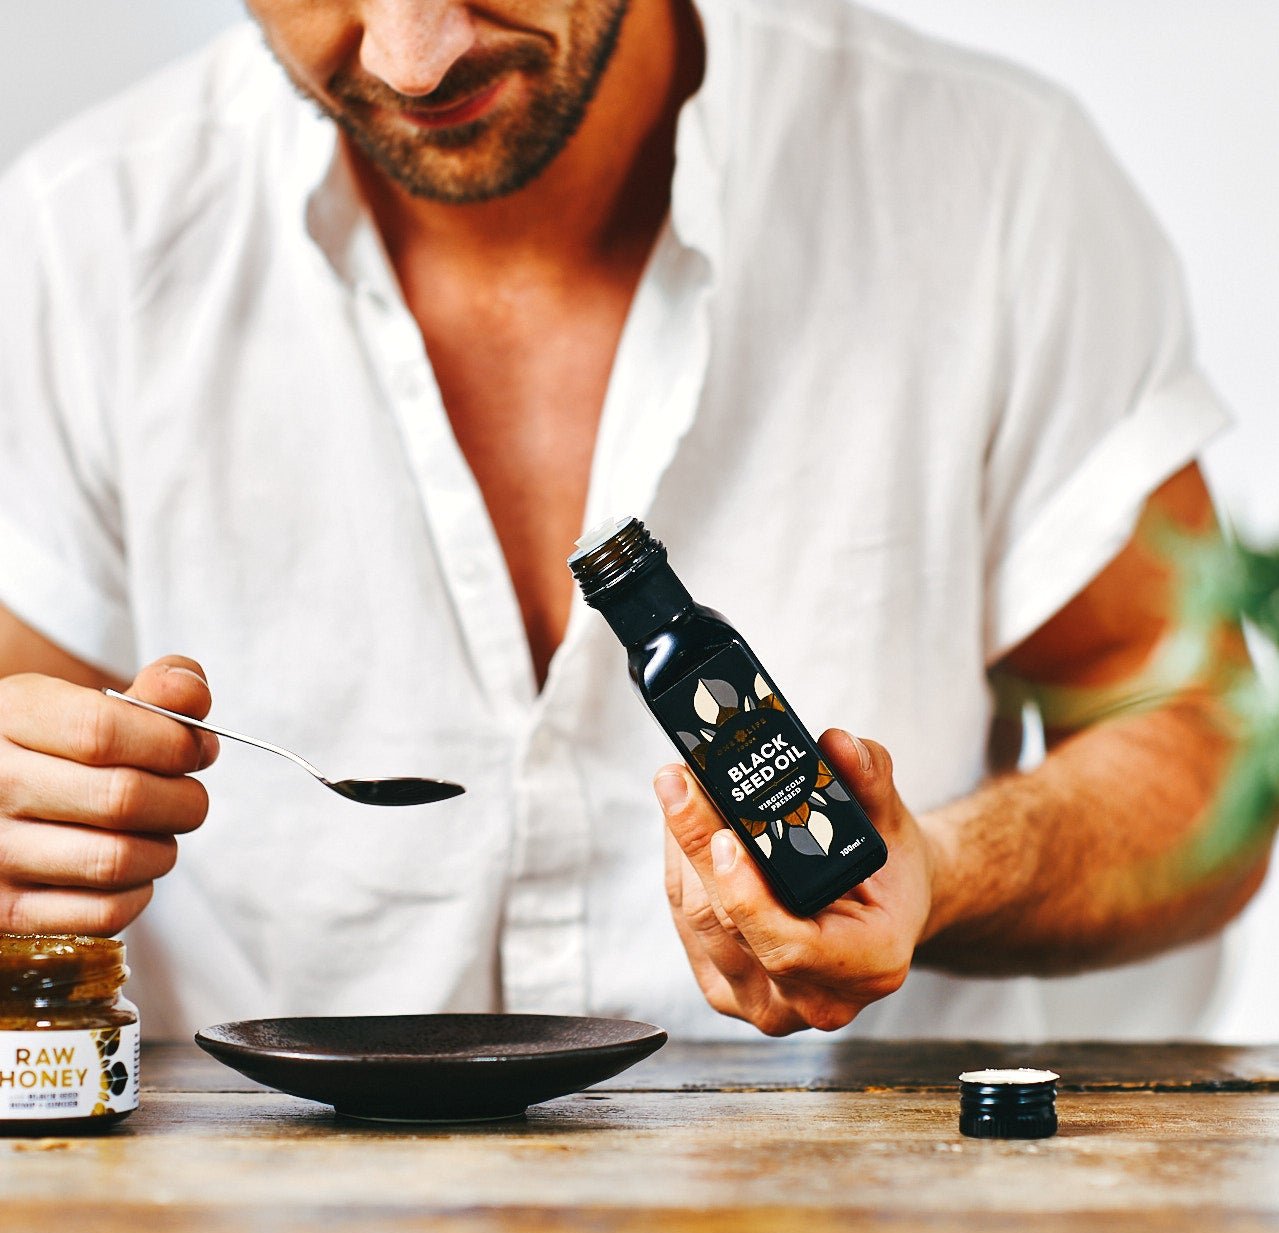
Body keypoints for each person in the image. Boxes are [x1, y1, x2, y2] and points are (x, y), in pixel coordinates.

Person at [0, 0, 1268, 1040]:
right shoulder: (81, 238)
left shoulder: (989, 184)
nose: (411, 57)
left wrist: (938, 869)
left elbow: (1197, 736)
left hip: (856, 1227)